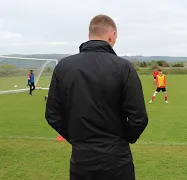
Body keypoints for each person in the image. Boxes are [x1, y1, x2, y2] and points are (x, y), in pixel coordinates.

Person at [45, 14, 148, 180]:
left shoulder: (63, 67)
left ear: (89, 36)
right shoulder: (123, 67)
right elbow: (139, 117)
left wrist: (76, 139)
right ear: (112, 35)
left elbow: (53, 115)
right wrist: (122, 140)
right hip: (117, 162)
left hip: (82, 161)